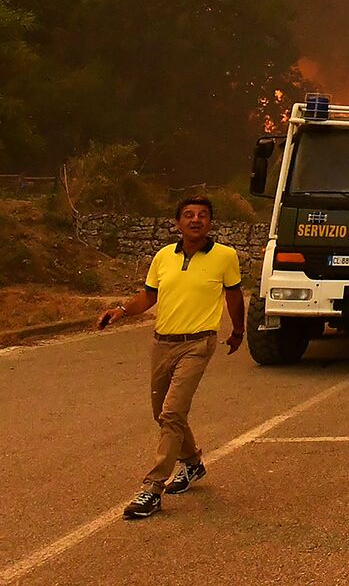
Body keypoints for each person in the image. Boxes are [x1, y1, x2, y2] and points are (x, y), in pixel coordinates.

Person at [96, 196, 245, 520]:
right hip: (163, 342)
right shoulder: (163, 256)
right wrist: (120, 311)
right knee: (162, 413)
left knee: (173, 412)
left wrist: (238, 331)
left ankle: (152, 488)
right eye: (188, 215)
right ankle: (192, 463)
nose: (195, 220)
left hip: (198, 343)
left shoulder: (225, 257)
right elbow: (150, 295)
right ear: (177, 223)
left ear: (210, 223)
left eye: (202, 215)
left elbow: (233, 296)